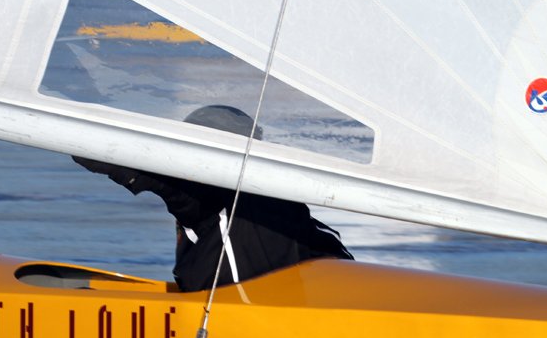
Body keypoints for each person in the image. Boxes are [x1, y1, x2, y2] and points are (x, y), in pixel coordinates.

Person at [75, 105, 352, 292]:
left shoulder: (213, 192)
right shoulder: (208, 191)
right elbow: (333, 252)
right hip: (252, 313)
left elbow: (328, 248)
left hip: (238, 316)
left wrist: (71, 132)